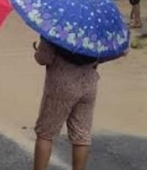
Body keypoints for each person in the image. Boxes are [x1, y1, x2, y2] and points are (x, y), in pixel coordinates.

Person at [32, 39, 124, 170]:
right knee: (81, 135)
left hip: (61, 84)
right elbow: (118, 52)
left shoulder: (56, 28)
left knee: (45, 134)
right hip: (89, 83)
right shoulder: (95, 30)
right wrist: (96, 60)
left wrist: (37, 50)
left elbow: (43, 59)